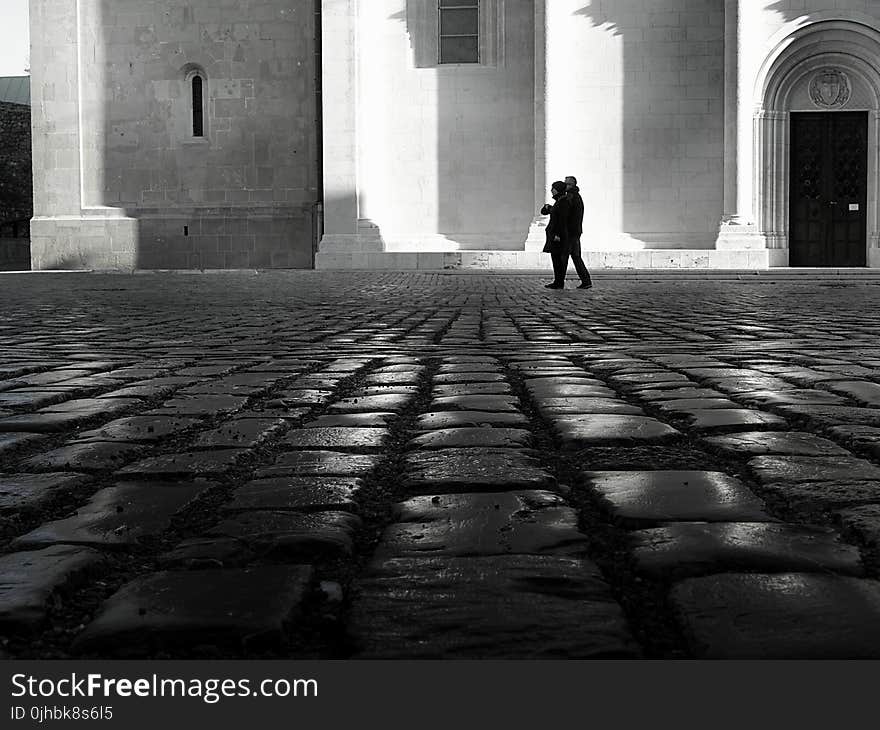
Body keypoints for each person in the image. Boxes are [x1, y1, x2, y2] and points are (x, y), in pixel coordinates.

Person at [541, 181, 572, 289]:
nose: (551, 190)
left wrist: (557, 235)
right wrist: (549, 208)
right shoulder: (559, 201)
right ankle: (558, 281)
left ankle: (559, 282)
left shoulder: (563, 202)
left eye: (553, 188)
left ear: (557, 189)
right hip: (555, 235)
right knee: (556, 259)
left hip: (558, 236)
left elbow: (562, 220)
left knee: (558, 260)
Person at [565, 175, 593, 289]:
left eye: (568, 184)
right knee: (575, 257)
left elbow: (570, 215)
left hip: (572, 233)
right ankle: (586, 281)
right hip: (574, 232)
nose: (566, 185)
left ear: (573, 185)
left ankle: (586, 281)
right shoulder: (574, 196)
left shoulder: (572, 197)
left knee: (574, 257)